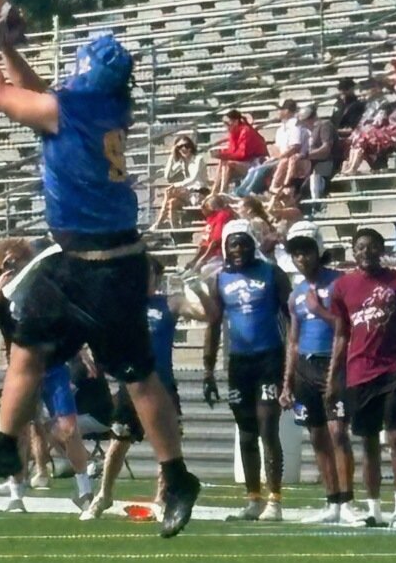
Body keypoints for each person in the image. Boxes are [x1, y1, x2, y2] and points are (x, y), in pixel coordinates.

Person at [0, 0, 200, 538]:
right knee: (27, 346)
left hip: (104, 266)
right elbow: (45, 95)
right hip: (82, 258)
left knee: (135, 375)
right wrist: (12, 48)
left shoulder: (74, 111)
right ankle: (2, 447)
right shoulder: (106, 107)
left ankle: (177, 475)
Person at [81, 256, 207, 521]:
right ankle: (104, 495)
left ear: (155, 276)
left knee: (167, 445)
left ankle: (161, 500)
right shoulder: (124, 305)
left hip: (164, 384)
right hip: (133, 383)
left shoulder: (169, 303)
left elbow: (205, 313)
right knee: (118, 441)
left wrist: (196, 288)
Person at [0, 237, 93, 512]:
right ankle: (16, 494)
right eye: (6, 261)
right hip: (21, 371)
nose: (12, 264)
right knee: (17, 433)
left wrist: (81, 353)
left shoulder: (41, 288)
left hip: (52, 367)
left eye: (16, 259)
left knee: (69, 429)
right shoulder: (5, 295)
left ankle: (85, 490)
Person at [203, 220, 291, 521]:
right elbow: (213, 325)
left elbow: (291, 319)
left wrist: (294, 363)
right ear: (225, 248)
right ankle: (253, 498)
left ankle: (275, 500)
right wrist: (208, 369)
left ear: (253, 244)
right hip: (238, 362)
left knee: (268, 426)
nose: (238, 249)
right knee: (246, 432)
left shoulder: (272, 273)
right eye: (232, 244)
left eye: (243, 243)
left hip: (270, 358)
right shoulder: (219, 280)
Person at [327, 228, 396, 528]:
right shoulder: (343, 286)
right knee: (368, 443)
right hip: (358, 372)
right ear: (353, 251)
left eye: (373, 246)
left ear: (382, 249)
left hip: (392, 369)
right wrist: (332, 377)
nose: (367, 251)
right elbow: (341, 334)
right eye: (361, 247)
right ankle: (374, 510)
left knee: (395, 438)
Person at [279, 223, 359, 525]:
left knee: (338, 432)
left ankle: (348, 500)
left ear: (318, 251)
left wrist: (336, 371)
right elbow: (293, 340)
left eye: (307, 251)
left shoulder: (339, 282)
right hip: (304, 368)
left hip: (334, 363)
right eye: (296, 253)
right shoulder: (296, 293)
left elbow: (346, 327)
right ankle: (332, 501)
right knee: (316, 435)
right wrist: (287, 381)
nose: (302, 258)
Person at [152, 135, 209, 229]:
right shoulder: (182, 162)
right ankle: (176, 231)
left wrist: (176, 185)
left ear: (191, 147)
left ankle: (159, 222)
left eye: (186, 146)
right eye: (180, 147)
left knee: (169, 191)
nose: (184, 149)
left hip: (200, 191)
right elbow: (168, 175)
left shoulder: (198, 159)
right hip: (188, 193)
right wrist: (171, 156)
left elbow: (193, 178)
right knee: (172, 202)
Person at [209, 110, 267, 196]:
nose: (226, 127)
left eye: (227, 123)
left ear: (235, 122)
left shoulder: (246, 131)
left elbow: (242, 154)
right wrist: (221, 154)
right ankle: (215, 192)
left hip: (256, 164)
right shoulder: (233, 132)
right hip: (246, 162)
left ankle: (221, 192)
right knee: (223, 161)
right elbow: (232, 151)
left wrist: (223, 155)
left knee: (228, 163)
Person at [185, 194, 235, 275]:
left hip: (219, 255)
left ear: (211, 206)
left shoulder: (222, 216)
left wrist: (202, 259)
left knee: (204, 271)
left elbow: (216, 241)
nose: (202, 209)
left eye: (204, 206)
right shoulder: (211, 218)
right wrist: (195, 260)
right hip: (210, 256)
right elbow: (204, 245)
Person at [268, 99, 311, 194]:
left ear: (286, 111)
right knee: (260, 169)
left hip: (297, 160)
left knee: (264, 169)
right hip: (284, 159)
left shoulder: (295, 126)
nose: (277, 112)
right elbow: (277, 148)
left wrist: (279, 157)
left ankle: (274, 186)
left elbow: (295, 148)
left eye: (280, 109)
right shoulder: (282, 128)